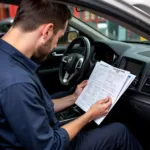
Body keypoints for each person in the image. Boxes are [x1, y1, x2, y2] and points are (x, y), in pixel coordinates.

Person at [0, 0, 143, 150]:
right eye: (59, 37)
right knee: (120, 133)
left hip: (35, 136)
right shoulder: (17, 83)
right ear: (47, 31)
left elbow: (39, 106)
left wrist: (74, 97)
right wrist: (90, 115)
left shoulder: (10, 59)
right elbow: (50, 146)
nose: (55, 45)